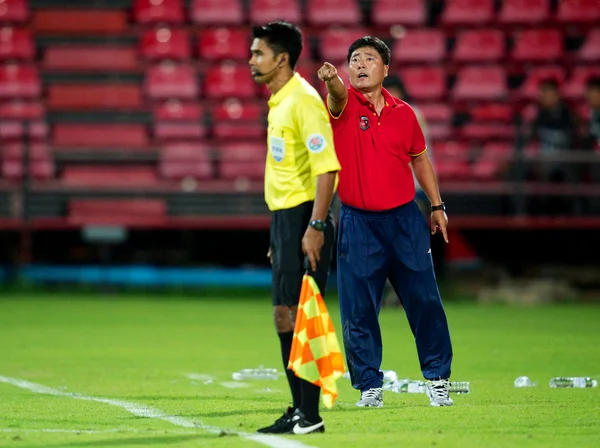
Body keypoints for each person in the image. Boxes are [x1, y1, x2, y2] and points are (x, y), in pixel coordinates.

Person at [317, 36, 453, 408]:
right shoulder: (342, 106)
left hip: (405, 220)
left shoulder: (405, 114)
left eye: (369, 59)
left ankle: (438, 380)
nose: (360, 65)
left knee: (425, 299)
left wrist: (437, 205)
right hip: (359, 224)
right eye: (354, 59)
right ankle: (369, 386)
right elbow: (337, 94)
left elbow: (420, 160)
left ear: (386, 68)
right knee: (358, 308)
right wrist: (330, 79)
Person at [249, 21, 341, 434]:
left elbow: (327, 170)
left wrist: (315, 225)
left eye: (258, 53)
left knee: (303, 315)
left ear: (280, 58)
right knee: (284, 315)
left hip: (306, 216)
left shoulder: (303, 101)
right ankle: (301, 410)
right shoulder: (280, 101)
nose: (251, 60)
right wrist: (280, 234)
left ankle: (311, 414)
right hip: (286, 220)